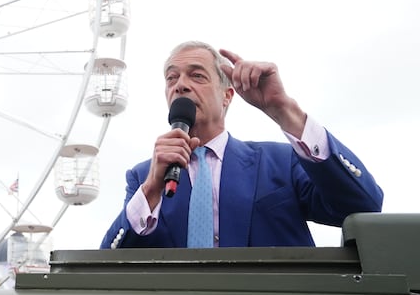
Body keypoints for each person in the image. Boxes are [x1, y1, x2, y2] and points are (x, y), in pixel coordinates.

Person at [100, 41, 383, 249]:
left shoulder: (280, 162)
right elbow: (107, 265)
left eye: (197, 75)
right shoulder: (143, 178)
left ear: (227, 96)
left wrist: (284, 110)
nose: (180, 85)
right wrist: (150, 190)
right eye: (172, 78)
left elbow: (363, 204)